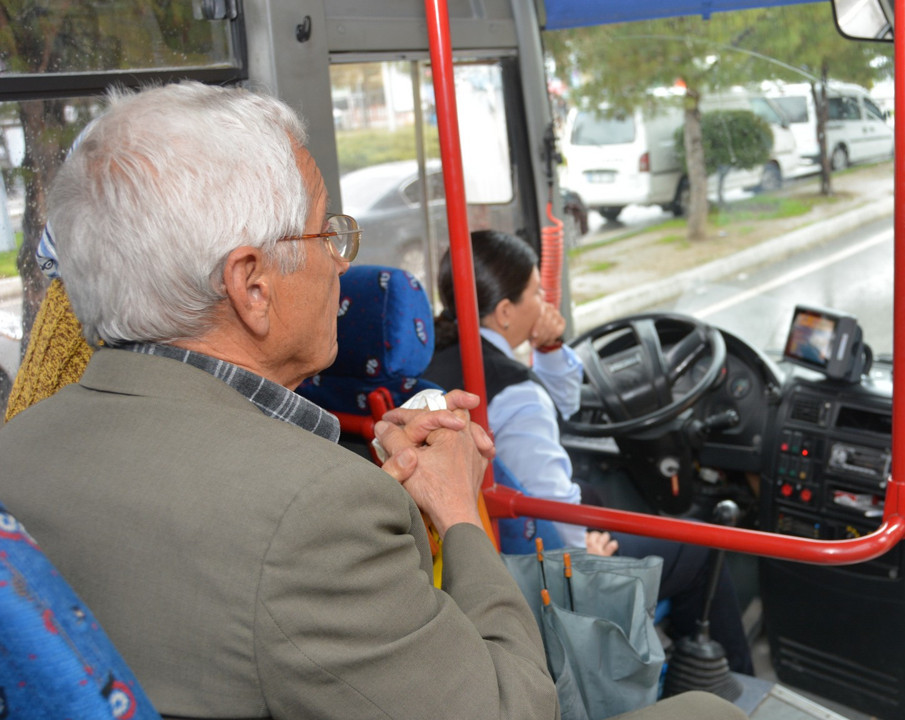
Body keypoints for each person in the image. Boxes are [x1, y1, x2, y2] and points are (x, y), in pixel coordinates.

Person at [0, 82, 744, 720]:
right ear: (252, 286)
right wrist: (457, 512)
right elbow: (512, 708)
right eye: (328, 232)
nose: (341, 262)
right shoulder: (316, 511)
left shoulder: (19, 448)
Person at [426, 229, 755, 676]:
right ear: (505, 312)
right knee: (698, 547)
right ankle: (726, 680)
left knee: (599, 493)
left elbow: (560, 406)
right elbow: (549, 501)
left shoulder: (431, 362)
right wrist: (583, 561)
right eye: (537, 292)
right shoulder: (516, 396)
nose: (546, 303)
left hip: (466, 552)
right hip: (539, 566)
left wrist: (549, 347)